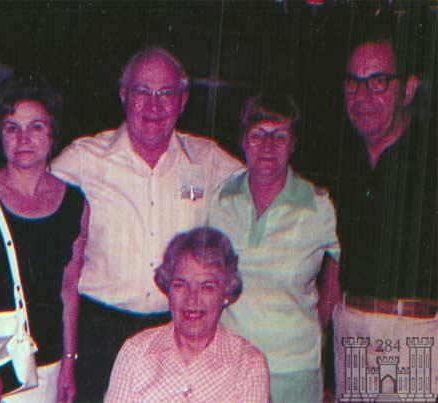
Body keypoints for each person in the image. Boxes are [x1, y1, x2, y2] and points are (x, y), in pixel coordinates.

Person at [51, 46, 242, 400]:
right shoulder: (84, 159)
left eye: (166, 93)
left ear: (182, 101)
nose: (154, 106)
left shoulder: (207, 159)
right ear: (124, 95)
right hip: (99, 333)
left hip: (175, 331)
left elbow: (262, 185)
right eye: (143, 91)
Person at [208, 93, 340, 402]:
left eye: (279, 136)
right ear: (243, 140)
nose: (268, 146)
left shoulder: (319, 206)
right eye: (258, 134)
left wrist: (315, 331)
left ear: (293, 143)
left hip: (294, 371)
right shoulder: (219, 199)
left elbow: (335, 282)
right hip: (229, 366)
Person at [0, 74, 88, 403]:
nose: (23, 138)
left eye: (36, 127)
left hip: (46, 364)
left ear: (52, 134)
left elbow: (69, 289)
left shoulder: (75, 204)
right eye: (12, 128)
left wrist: (69, 363)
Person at [332, 28, 437, 400]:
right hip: (352, 330)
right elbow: (334, 258)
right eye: (354, 83)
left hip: (414, 334)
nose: (363, 96)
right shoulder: (342, 162)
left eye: (378, 82)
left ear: (408, 90)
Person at [105, 227, 269, 402]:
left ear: (226, 294)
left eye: (207, 287)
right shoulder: (135, 353)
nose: (192, 299)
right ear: (168, 290)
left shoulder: (248, 365)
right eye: (180, 285)